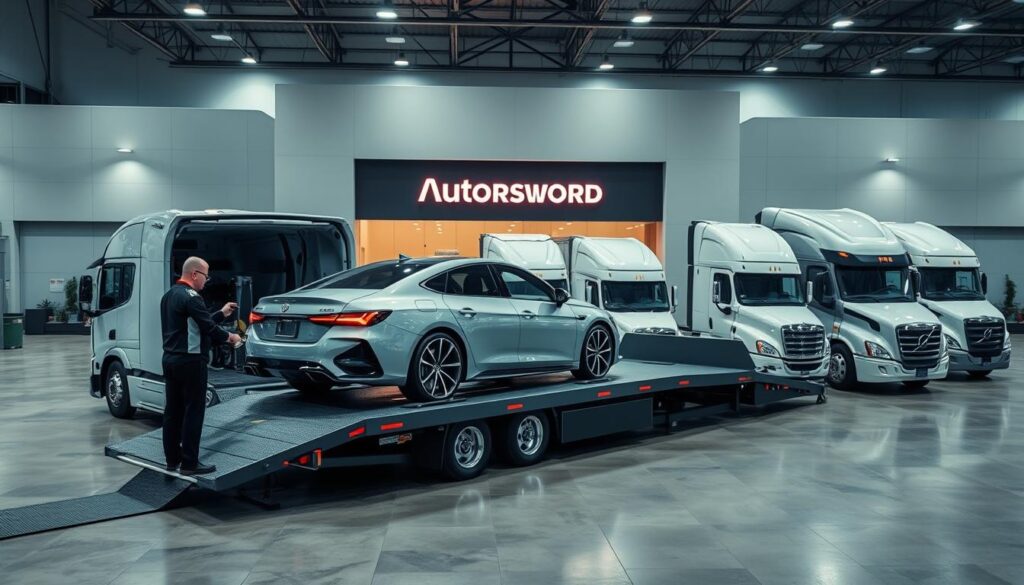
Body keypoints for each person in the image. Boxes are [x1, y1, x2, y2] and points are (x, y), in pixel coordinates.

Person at [160, 256, 241, 475]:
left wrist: (221, 313)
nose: (207, 280)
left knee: (172, 412)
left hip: (170, 359)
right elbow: (208, 329)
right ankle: (190, 463)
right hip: (191, 362)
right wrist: (230, 338)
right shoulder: (193, 297)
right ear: (195, 274)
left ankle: (172, 460)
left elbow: (193, 324)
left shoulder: (169, 295)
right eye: (206, 276)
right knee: (194, 411)